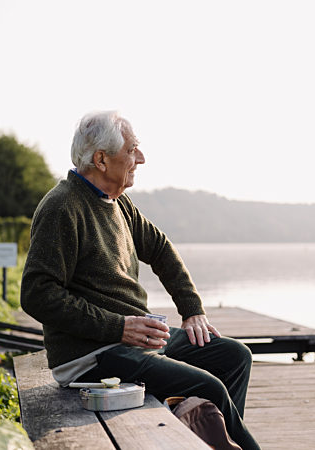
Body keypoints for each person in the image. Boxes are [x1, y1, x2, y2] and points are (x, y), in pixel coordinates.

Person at [21, 111, 260, 449]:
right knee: (209, 387)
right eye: (132, 150)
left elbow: (161, 248)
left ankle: (213, 441)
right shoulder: (62, 207)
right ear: (102, 160)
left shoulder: (119, 204)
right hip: (92, 355)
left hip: (132, 339)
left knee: (234, 356)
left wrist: (192, 309)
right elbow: (36, 294)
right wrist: (119, 327)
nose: (141, 159)